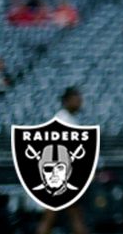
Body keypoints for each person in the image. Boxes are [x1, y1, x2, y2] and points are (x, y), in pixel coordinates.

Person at [38, 87, 88, 234]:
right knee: (60, 214)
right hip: (60, 174)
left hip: (62, 173)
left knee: (66, 213)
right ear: (66, 101)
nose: (80, 102)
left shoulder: (70, 119)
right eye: (76, 99)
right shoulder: (63, 119)